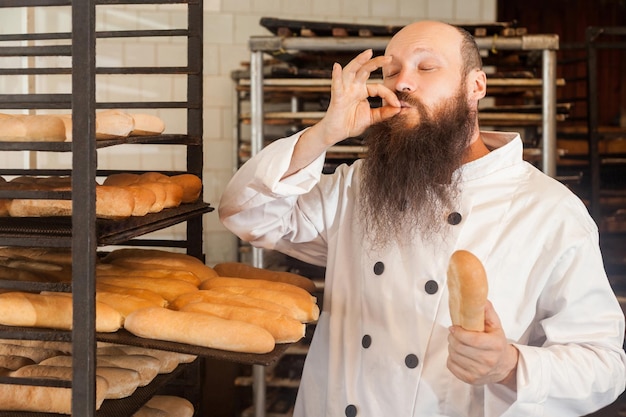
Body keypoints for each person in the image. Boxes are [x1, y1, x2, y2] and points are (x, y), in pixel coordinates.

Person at [219, 20, 626, 416]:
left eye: (426, 67)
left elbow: (604, 366)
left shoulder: (549, 211)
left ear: (475, 86)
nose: (401, 82)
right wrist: (324, 132)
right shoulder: (357, 187)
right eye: (392, 70)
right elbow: (245, 214)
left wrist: (509, 366)